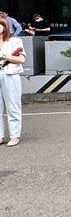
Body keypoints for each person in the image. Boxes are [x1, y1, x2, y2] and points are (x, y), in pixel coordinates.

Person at [0, 15, 26, 147]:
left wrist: (4, 56)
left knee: (13, 106)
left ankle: (15, 136)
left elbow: (21, 59)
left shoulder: (14, 41)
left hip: (10, 74)